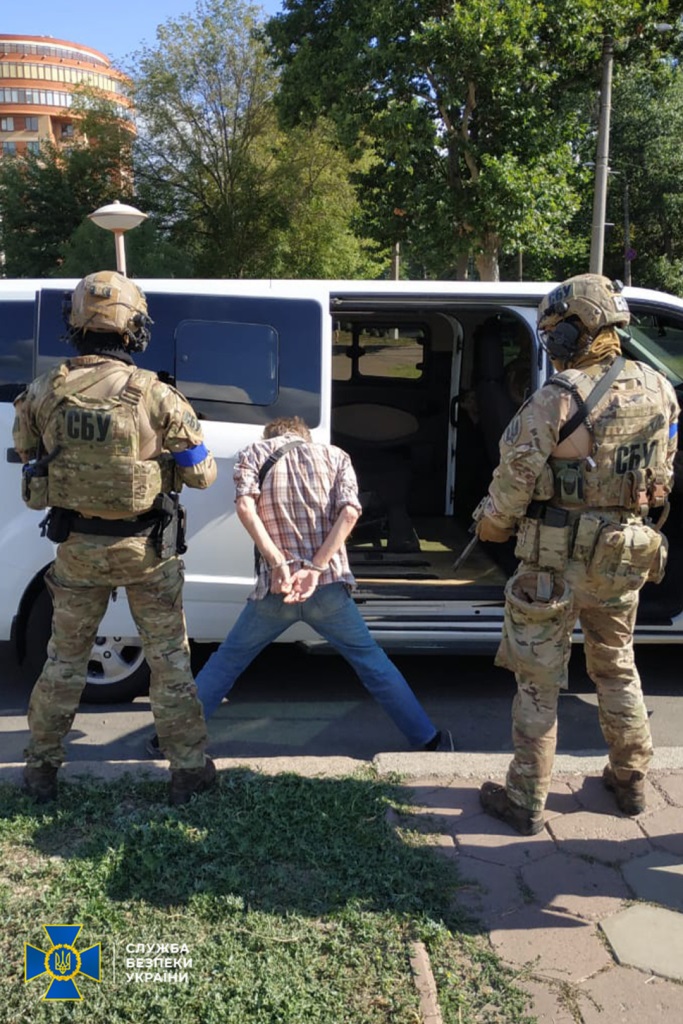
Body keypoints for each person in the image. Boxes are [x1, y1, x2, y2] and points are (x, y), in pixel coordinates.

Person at [474, 274, 680, 835]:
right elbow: (662, 475)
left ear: (581, 327)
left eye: (556, 332)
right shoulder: (661, 389)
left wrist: (491, 526)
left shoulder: (557, 397)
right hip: (621, 557)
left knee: (538, 680)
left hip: (553, 564)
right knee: (617, 666)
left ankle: (525, 800)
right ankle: (631, 781)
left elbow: (513, 485)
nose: (552, 342)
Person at [13, 270, 218, 805]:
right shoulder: (157, 395)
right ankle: (188, 773)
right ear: (133, 327)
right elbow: (202, 474)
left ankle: (40, 772)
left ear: (76, 324)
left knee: (63, 661)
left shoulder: (43, 390)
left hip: (77, 549)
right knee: (168, 662)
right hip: (146, 550)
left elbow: (28, 457)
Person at [146, 415, 452, 756]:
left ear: (270, 435)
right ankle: (429, 740)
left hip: (275, 589)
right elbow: (351, 513)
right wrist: (315, 568)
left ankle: (170, 741)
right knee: (373, 663)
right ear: (305, 436)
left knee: (227, 662)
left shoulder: (254, 453)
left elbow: (245, 506)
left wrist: (278, 562)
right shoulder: (336, 456)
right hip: (327, 587)